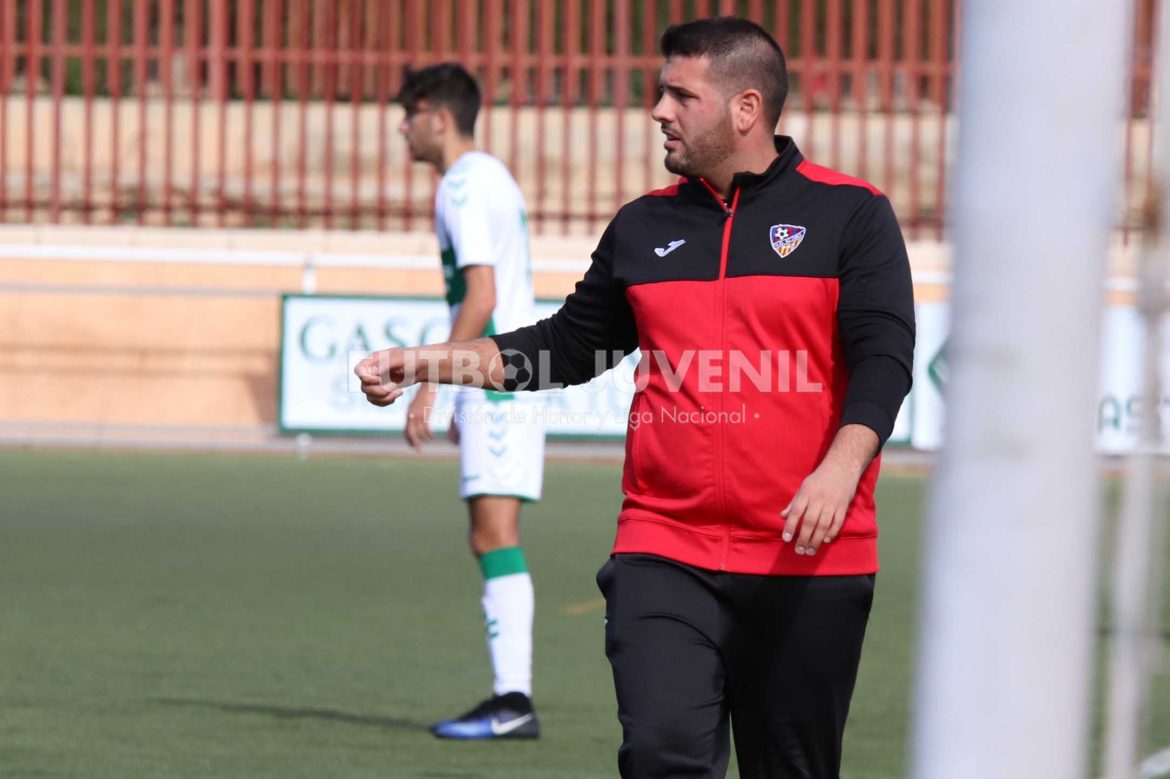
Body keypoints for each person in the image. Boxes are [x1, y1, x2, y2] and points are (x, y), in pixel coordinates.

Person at [359, 18, 915, 777]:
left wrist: (841, 467)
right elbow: (561, 348)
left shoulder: (852, 213)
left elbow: (885, 359)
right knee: (659, 756)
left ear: (745, 109)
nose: (659, 110)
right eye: (661, 93)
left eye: (681, 95)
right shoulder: (642, 225)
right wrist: (425, 364)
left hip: (809, 558)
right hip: (664, 549)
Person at [393, 62, 544, 741]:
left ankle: (513, 700)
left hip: (498, 377)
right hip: (503, 374)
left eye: (409, 114)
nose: (402, 128)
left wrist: (432, 381)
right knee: (490, 532)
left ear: (439, 116)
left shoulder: (461, 185)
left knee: (494, 534)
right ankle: (511, 697)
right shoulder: (490, 176)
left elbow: (481, 296)